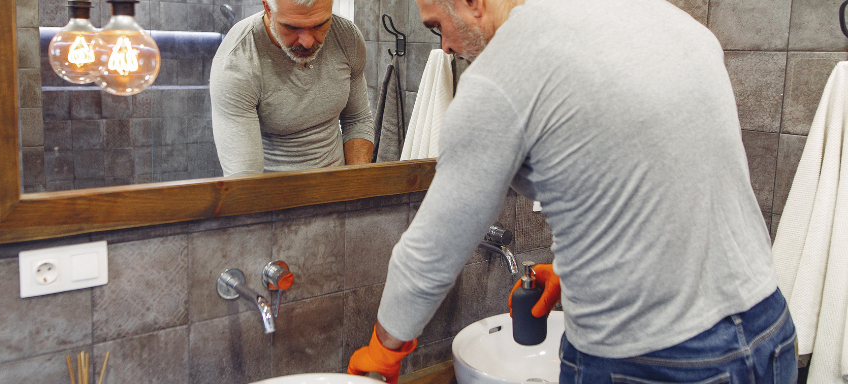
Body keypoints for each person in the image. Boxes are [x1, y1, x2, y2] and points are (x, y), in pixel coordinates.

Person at [346, 0, 797, 383]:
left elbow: (430, 253)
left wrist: (384, 348)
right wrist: (575, 266)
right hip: (769, 332)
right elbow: (635, 169)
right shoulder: (665, 18)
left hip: (651, 358)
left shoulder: (502, 74)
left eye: (437, 26)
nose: (443, 46)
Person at [209, 0, 374, 177]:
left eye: (320, 25)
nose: (308, 42)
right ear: (268, 9)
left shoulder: (347, 37)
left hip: (337, 193)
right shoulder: (237, 62)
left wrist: (354, 188)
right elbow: (245, 177)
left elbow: (357, 119)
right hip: (273, 198)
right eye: (292, 27)